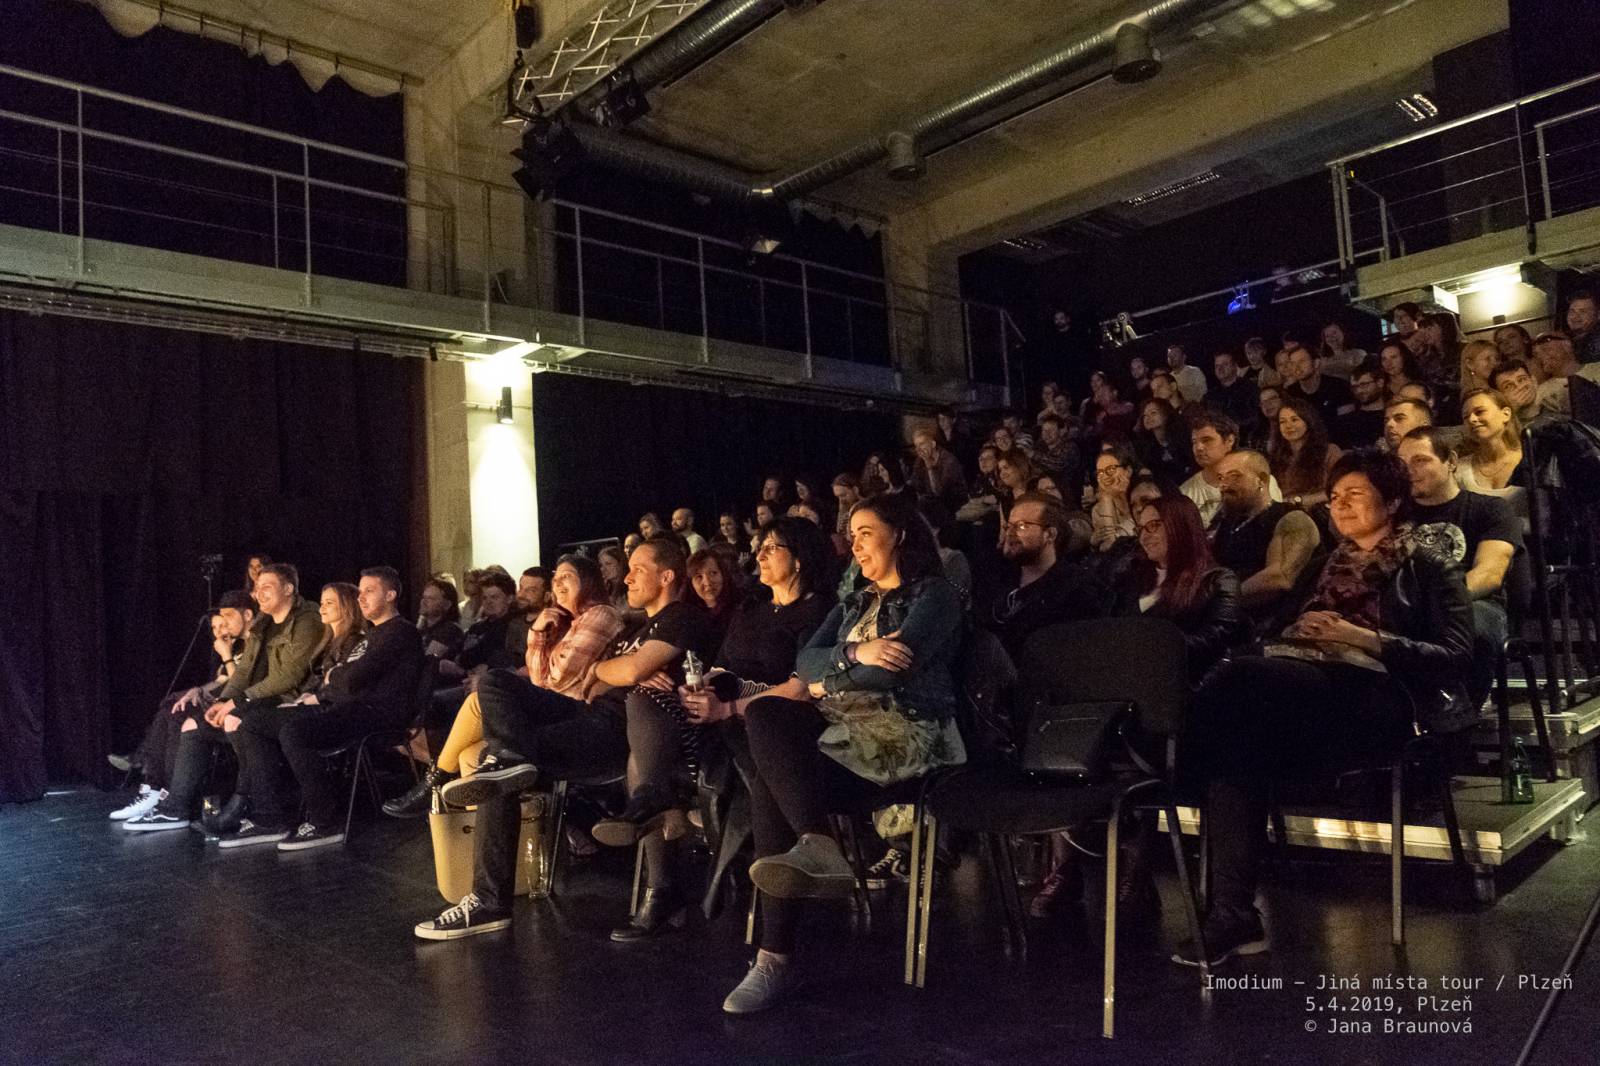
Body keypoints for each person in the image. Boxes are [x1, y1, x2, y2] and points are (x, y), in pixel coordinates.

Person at [1176, 449, 1472, 966]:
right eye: (1333, 498)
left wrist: (1362, 637)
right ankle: (1233, 914)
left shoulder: (1428, 565)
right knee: (1235, 752)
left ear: (1394, 500)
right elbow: (1277, 632)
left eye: (1355, 495)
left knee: (1235, 681)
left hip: (1384, 703)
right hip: (1307, 697)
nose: (1340, 506)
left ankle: (1172, 766)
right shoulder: (1323, 566)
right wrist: (1295, 631)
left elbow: (1456, 656)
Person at [720, 491, 965, 1014]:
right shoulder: (854, 602)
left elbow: (889, 671)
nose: (854, 545)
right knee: (765, 717)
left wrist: (838, 672)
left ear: (900, 534)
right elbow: (803, 662)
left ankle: (773, 960)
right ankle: (815, 845)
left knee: (769, 771)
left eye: (866, 533)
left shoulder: (935, 596)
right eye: (850, 535)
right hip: (845, 731)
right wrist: (858, 650)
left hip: (906, 735)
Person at [415, 539, 714, 940]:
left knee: (495, 759)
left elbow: (624, 672)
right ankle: (509, 761)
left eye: (637, 569)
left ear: (666, 576)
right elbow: (598, 677)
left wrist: (621, 670)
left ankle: (488, 902)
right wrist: (615, 669)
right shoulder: (640, 628)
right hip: (588, 715)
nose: (626, 577)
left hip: (620, 732)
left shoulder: (682, 618)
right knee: (495, 685)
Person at [592, 518, 836, 940]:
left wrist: (726, 708)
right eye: (758, 547)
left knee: (642, 748)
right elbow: (722, 666)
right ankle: (655, 808)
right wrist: (701, 691)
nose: (758, 555)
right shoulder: (752, 610)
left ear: (799, 558)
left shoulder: (819, 612)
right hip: (716, 715)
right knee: (645, 699)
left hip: (774, 726)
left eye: (771, 548)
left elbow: (802, 687)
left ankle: (660, 867)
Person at [384, 554, 625, 819]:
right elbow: (538, 676)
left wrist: (538, 635)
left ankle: (435, 781)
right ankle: (474, 830)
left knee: (487, 687)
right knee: (472, 755)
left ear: (588, 581)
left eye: (566, 577)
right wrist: (539, 633)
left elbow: (557, 678)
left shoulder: (600, 614)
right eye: (555, 578)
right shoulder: (563, 623)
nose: (557, 583)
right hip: (550, 705)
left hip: (575, 712)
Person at [222, 568, 423, 849]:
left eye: (369, 591)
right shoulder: (373, 636)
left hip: (374, 714)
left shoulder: (400, 632)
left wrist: (336, 677)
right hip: (344, 706)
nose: (361, 597)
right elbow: (344, 679)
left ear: (390, 596)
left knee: (296, 732)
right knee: (252, 724)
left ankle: (325, 822)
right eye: (360, 591)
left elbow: (353, 679)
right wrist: (337, 679)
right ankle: (269, 817)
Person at [124, 564, 322, 832]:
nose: (259, 594)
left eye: (267, 587)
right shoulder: (263, 623)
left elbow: (289, 676)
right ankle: (176, 808)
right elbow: (243, 673)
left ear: (288, 589)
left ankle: (247, 804)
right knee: (193, 725)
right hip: (261, 698)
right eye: (257, 588)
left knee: (236, 720)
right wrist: (223, 700)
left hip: (287, 699)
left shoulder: (307, 619)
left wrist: (235, 702)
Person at [205, 581, 364, 844]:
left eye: (329, 603)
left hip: (336, 711)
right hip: (312, 703)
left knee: (276, 727)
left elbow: (340, 683)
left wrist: (313, 696)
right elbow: (320, 679)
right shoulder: (327, 640)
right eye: (322, 602)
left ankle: (316, 819)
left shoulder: (355, 641)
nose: (322, 607)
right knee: (251, 722)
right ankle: (267, 816)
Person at [1399, 427, 1522, 708]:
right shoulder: (1396, 514)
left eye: (1420, 460)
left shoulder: (1490, 509)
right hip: (1411, 603)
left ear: (1451, 461)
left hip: (1476, 603)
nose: (1410, 471)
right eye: (1402, 464)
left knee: (1466, 627)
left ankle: (1459, 717)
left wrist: (1434, 603)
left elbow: (1489, 574)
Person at [109, 591, 257, 820]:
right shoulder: (238, 646)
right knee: (173, 707)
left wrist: (226, 657)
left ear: (248, 614)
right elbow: (221, 681)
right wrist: (198, 690)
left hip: (237, 705)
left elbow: (240, 684)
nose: (222, 625)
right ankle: (154, 788)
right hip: (222, 699)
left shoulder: (252, 645)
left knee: (182, 717)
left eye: (227, 617)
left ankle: (159, 787)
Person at [983, 492, 1112, 658]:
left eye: (1022, 526)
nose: (1010, 533)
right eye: (1009, 526)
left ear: (1050, 534)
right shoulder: (996, 577)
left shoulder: (1076, 590)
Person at [1133, 494, 1247, 681]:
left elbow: (1214, 641)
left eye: (1153, 526)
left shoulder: (1218, 580)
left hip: (1187, 682)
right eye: (1140, 529)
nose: (1144, 537)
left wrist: (1151, 645)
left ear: (1179, 526)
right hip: (1139, 675)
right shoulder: (1135, 578)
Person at [1210, 451, 1322, 632]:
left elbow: (1278, 579)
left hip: (1269, 626)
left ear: (1261, 479)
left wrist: (1219, 600)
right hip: (1229, 619)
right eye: (1221, 478)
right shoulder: (1228, 524)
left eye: (1234, 476)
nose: (1224, 485)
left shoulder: (1291, 519)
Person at [1181, 411, 1283, 527]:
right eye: (1194, 442)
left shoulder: (1258, 480)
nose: (1198, 448)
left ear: (1229, 440)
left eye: (1207, 440)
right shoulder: (1185, 493)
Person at [1455, 388, 1526, 506]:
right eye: (1466, 417)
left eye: (1479, 412)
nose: (1472, 419)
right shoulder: (1459, 469)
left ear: (1506, 414)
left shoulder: (1532, 460)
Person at [1269, 397, 1342, 510]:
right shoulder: (1275, 456)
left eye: (1294, 420)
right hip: (1284, 513)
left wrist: (1299, 500)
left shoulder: (1329, 451)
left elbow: (1340, 488)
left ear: (1308, 421)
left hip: (1319, 511)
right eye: (1282, 422)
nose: (1288, 426)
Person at [1283, 344, 1355, 428]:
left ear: (1316, 363)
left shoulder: (1339, 386)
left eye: (1302, 361)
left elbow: (1347, 423)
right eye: (1292, 363)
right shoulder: (1291, 393)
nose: (1296, 367)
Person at [686, 546, 740, 656]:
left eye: (713, 573)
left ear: (723, 574)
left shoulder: (740, 608)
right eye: (699, 577)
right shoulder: (687, 614)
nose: (708, 582)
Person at [1133, 398, 1192, 485]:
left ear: (1165, 414)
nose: (1148, 418)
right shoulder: (1145, 447)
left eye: (1153, 413)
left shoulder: (1182, 437)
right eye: (1145, 415)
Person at [911, 426, 966, 516]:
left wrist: (929, 467)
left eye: (922, 444)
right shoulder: (919, 461)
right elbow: (916, 485)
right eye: (916, 446)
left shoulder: (949, 461)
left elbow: (939, 492)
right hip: (934, 504)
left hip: (954, 504)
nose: (918, 449)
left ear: (933, 444)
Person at [1090, 445, 1137, 552]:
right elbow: (1108, 547)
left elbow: (1111, 542)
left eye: (1111, 469)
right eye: (1100, 473)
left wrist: (1116, 536)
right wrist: (1106, 498)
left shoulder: (1142, 495)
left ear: (1128, 471)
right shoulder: (1098, 510)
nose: (1105, 477)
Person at [1335, 360, 1388, 448]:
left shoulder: (1391, 417)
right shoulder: (1346, 420)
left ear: (1380, 383)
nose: (1359, 391)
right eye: (1355, 387)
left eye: (1364, 385)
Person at [418, 577, 465, 665]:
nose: (424, 602)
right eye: (423, 597)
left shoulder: (450, 630)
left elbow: (428, 660)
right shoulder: (422, 629)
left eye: (431, 598)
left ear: (447, 604)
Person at [1030, 413, 1081, 492]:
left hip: (1068, 493)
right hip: (1044, 491)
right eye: (1044, 430)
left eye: (1051, 430)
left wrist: (1033, 455)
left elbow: (1059, 464)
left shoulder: (1070, 446)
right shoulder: (1040, 447)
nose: (1047, 433)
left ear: (1061, 431)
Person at [1210, 350, 1259, 431]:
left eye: (1225, 364)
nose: (1220, 368)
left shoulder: (1250, 389)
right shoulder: (1210, 395)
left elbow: (1255, 418)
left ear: (1235, 366)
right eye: (1217, 366)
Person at [1489, 358, 1546, 427]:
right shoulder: (1501, 427)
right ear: (1500, 396)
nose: (1519, 387)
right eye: (1508, 386)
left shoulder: (1556, 407)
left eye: (1522, 379)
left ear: (1534, 381)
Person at [1564, 289, 1599, 364]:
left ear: (1598, 315)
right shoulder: (1570, 339)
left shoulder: (1595, 345)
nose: (1575, 317)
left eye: (1583, 312)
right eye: (1572, 311)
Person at [1249, 383, 1284, 451]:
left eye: (1272, 399)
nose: (1267, 404)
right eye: (1263, 402)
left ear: (1282, 400)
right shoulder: (1257, 433)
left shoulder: (1291, 427)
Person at [598, 546, 630, 612]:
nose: (603, 569)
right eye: (601, 565)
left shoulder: (630, 586)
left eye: (608, 564)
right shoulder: (605, 588)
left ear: (620, 564)